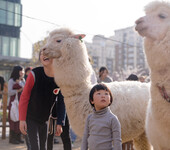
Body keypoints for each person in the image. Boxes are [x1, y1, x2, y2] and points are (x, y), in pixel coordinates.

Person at [19, 50, 66, 150]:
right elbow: (24, 97)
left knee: (43, 148)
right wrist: (22, 119)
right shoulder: (34, 74)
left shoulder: (60, 78)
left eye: (47, 52)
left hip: (44, 120)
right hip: (30, 118)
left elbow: (61, 102)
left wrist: (60, 122)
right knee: (34, 147)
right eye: (42, 53)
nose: (44, 55)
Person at [81, 83, 122, 150]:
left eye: (106, 94)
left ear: (110, 100)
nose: (103, 96)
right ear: (92, 100)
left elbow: (117, 141)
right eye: (99, 93)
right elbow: (85, 138)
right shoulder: (89, 118)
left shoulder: (112, 119)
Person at [8, 66, 25, 144]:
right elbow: (10, 92)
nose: (22, 72)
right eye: (21, 71)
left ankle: (18, 138)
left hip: (21, 102)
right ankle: (12, 138)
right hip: (13, 103)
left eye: (23, 71)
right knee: (13, 119)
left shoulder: (23, 80)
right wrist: (18, 90)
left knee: (19, 119)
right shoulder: (11, 80)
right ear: (17, 71)